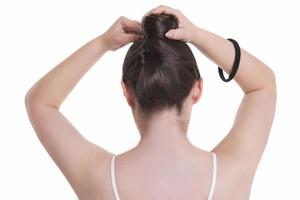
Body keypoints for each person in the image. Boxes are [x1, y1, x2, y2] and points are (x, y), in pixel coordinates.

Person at [25, 5, 277, 200]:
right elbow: (262, 84)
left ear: (128, 92)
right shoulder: (229, 175)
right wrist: (198, 36)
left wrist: (102, 44)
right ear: (197, 90)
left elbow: (40, 102)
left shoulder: (100, 179)